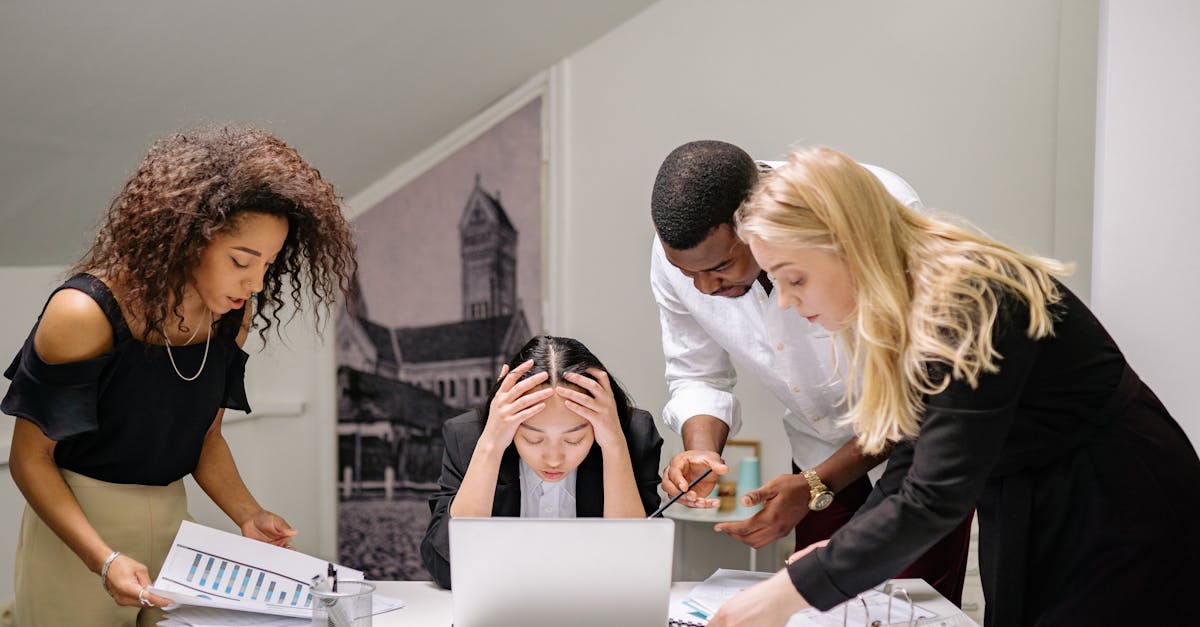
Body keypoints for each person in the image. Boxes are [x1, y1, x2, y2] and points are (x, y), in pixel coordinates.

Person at [708, 146, 1200, 626]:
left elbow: (932, 498)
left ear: (849, 244)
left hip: (1117, 500)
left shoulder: (966, 296)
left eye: (794, 279)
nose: (787, 303)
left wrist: (792, 591)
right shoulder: (906, 295)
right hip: (1028, 494)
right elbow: (917, 442)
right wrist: (844, 547)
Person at [2, 125, 357, 627]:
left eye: (269, 265)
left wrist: (248, 514)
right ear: (188, 239)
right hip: (77, 537)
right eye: (241, 261)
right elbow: (28, 459)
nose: (255, 283)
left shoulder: (233, 315)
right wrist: (102, 559)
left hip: (173, 529)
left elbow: (204, 438)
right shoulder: (83, 313)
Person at [650, 140, 970, 603]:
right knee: (816, 605)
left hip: (920, 450)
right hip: (815, 447)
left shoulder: (874, 210)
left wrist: (819, 482)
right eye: (687, 274)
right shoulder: (682, 250)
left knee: (910, 605)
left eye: (720, 267)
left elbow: (923, 396)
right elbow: (697, 372)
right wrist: (702, 455)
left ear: (758, 225)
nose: (703, 287)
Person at [420, 335, 664, 589]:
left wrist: (614, 445)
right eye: (533, 439)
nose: (554, 459)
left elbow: (636, 571)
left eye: (574, 440)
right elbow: (447, 569)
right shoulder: (468, 437)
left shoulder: (632, 434)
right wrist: (490, 446)